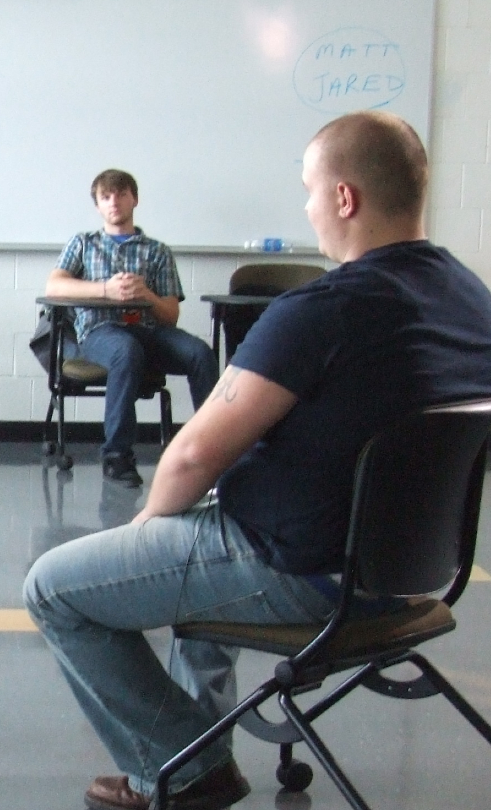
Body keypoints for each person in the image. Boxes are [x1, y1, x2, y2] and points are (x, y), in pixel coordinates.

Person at [24, 111, 491, 810]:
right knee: (197, 560)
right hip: (412, 575)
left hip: (300, 569)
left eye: (308, 189)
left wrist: (145, 534)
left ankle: (187, 769)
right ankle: (190, 754)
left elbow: (189, 459)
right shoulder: (469, 297)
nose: (307, 208)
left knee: (54, 587)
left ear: (343, 198)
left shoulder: (322, 310)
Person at [45, 169, 218, 487]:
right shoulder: (84, 243)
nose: (114, 202)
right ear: (97, 205)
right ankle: (116, 455)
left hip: (150, 330)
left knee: (200, 354)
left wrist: (147, 296)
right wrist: (106, 290)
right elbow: (55, 286)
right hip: (100, 331)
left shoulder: (157, 251)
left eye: (121, 195)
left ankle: (216, 449)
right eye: (105, 197)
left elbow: (170, 315)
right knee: (126, 351)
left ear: (134, 199)